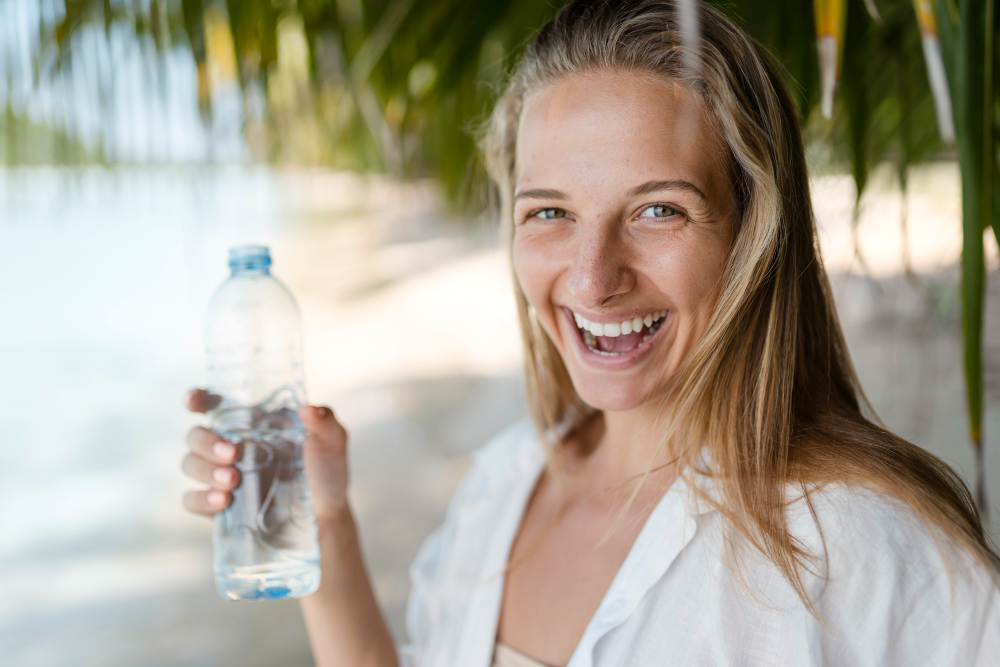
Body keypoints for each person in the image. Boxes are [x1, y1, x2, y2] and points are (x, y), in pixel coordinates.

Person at [181, 1, 1000, 665]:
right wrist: (323, 521)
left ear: (753, 233)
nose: (591, 276)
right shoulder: (504, 485)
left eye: (658, 209)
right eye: (551, 213)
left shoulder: (873, 549)